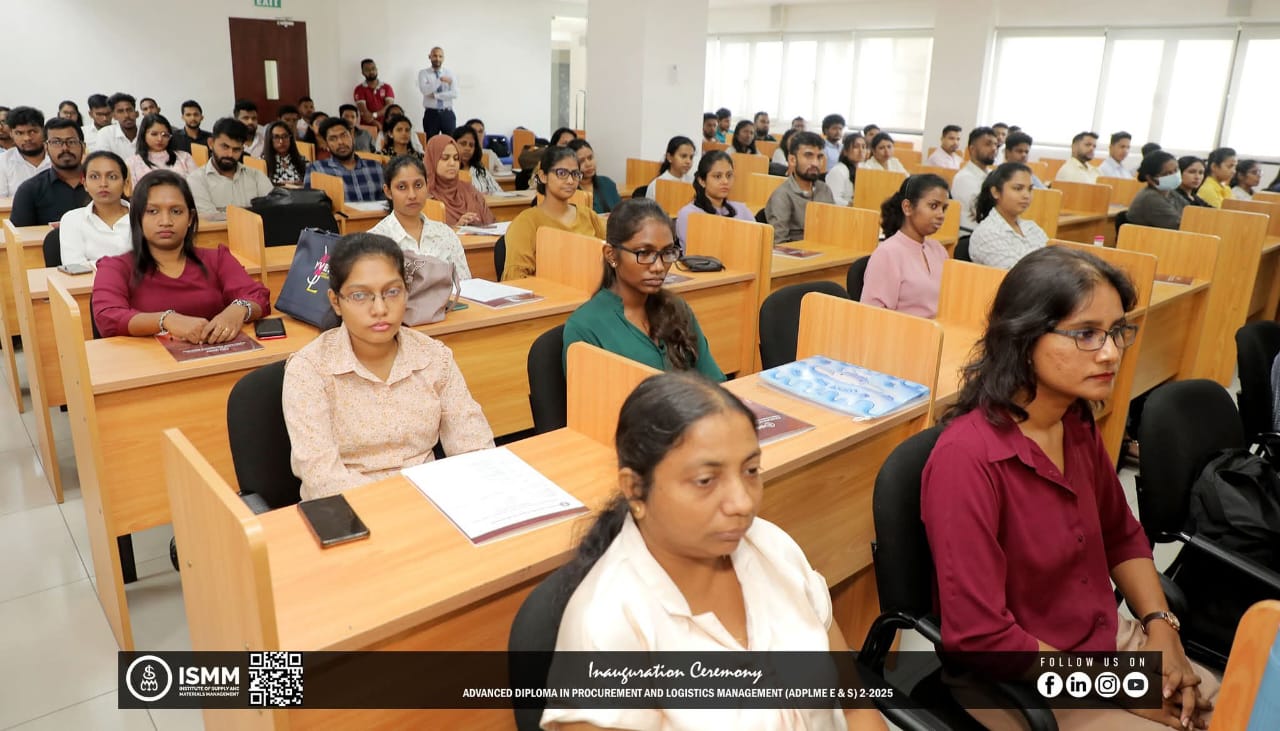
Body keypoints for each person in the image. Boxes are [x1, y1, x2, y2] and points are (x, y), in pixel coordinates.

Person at [922, 246, 1218, 730]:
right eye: (1086, 334)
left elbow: (1121, 533)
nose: (1111, 352)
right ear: (1024, 337)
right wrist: (1122, 686)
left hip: (1105, 646)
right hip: (1023, 679)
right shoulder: (966, 460)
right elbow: (981, 636)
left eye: (1116, 331)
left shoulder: (1075, 421)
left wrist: (1162, 628)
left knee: (1245, 707)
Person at [541, 371, 889, 731]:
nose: (742, 503)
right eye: (706, 480)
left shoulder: (772, 547)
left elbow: (853, 707)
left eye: (751, 470)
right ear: (635, 490)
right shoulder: (605, 627)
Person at [282, 233, 494, 500]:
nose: (380, 309)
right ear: (336, 302)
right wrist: (401, 503)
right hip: (350, 508)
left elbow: (475, 446)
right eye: (360, 295)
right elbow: (321, 479)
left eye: (392, 292)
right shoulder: (309, 370)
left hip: (433, 500)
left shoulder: (433, 357)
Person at [91, 170, 270, 341]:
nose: (165, 221)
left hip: (215, 354)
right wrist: (166, 320)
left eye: (176, 211)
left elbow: (257, 296)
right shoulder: (115, 267)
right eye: (152, 211)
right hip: (150, 359)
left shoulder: (217, 259)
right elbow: (107, 317)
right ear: (138, 217)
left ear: (190, 218)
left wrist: (238, 310)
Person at [563, 198, 725, 380]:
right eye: (644, 253)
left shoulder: (677, 308)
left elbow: (715, 382)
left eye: (667, 253)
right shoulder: (585, 327)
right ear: (611, 255)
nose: (658, 267)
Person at [502, 145, 606, 281]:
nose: (570, 181)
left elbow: (610, 259)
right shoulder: (526, 222)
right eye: (561, 173)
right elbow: (516, 279)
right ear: (543, 176)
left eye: (575, 174)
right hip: (546, 293)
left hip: (589, 289)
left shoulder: (589, 216)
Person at [860, 174, 950, 318]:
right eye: (933, 206)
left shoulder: (938, 250)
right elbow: (872, 317)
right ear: (907, 207)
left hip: (940, 328)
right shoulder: (887, 253)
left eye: (943, 208)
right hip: (905, 331)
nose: (941, 215)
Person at [369, 155, 471, 278]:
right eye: (402, 187)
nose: (412, 195)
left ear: (427, 185)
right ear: (388, 192)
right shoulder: (374, 241)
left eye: (418, 185)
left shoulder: (446, 234)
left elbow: (465, 283)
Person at [10, 119, 89, 227]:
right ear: (46, 148)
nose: (65, 148)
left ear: (83, 147)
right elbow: (20, 234)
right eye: (56, 142)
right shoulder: (29, 190)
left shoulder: (101, 183)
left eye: (71, 142)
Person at [187, 118, 275, 215]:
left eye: (236, 149)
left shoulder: (256, 176)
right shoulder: (196, 180)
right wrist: (251, 213)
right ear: (211, 143)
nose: (230, 154)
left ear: (242, 149)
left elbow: (272, 209)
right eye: (225, 147)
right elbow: (209, 217)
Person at [969, 163, 1049, 269]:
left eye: (1030, 189)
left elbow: (1053, 260)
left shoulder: (1032, 227)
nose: (1026, 195)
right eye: (1018, 188)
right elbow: (1016, 274)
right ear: (995, 192)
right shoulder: (986, 233)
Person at [59, 151, 131, 266]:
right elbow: (75, 267)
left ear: (125, 183)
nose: (103, 183)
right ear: (85, 184)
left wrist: (96, 264)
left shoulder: (143, 216)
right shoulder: (72, 219)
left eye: (112, 177)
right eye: (94, 177)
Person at [764, 131, 835, 244]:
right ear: (792, 160)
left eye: (819, 157)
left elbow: (833, 228)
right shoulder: (782, 195)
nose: (815, 163)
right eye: (808, 156)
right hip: (795, 252)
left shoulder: (824, 189)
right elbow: (779, 243)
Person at [675, 151, 752, 245]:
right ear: (702, 181)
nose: (725, 181)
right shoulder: (689, 215)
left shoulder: (742, 210)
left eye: (729, 175)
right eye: (717, 176)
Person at [304, 118, 385, 204]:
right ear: (326, 144)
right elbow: (310, 205)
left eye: (344, 135)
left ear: (352, 136)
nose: (340, 142)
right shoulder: (317, 170)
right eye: (333, 139)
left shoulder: (376, 167)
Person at [423, 133, 494, 227]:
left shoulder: (470, 191)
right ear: (432, 160)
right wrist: (457, 227)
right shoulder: (425, 197)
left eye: (456, 158)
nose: (452, 163)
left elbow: (490, 224)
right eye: (445, 158)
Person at [950, 126, 998, 233]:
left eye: (996, 145)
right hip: (970, 234)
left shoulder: (993, 174)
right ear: (972, 149)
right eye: (988, 144)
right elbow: (982, 212)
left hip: (990, 231)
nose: (994, 148)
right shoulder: (963, 178)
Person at [126, 114, 197, 183]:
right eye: (154, 134)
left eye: (165, 135)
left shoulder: (184, 157)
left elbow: (196, 184)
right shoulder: (132, 162)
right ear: (143, 135)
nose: (160, 139)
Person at [1126, 151, 1185, 230]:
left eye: (1176, 170)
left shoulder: (1170, 192)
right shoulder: (1150, 198)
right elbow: (1180, 226)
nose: (1174, 175)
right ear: (1150, 178)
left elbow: (1190, 212)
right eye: (1167, 173)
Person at [0, 106, 48, 197]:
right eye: (19, 133)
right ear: (11, 134)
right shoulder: (3, 162)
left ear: (43, 131)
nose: (27, 138)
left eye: (32, 132)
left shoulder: (57, 157)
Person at [567, 138, 620, 215]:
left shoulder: (607, 183)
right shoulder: (568, 189)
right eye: (581, 161)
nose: (588, 164)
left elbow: (621, 213)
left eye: (590, 158)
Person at [418, 46, 458, 139]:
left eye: (440, 56)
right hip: (431, 114)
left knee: (450, 142)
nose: (437, 59)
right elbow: (425, 91)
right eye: (435, 56)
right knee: (430, 142)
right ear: (430, 57)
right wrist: (440, 80)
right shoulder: (423, 73)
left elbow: (455, 93)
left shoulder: (450, 73)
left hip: (447, 113)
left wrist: (436, 95)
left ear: (443, 58)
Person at [644, 136, 697, 200]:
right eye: (683, 156)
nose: (688, 161)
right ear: (669, 157)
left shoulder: (693, 183)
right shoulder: (656, 184)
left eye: (691, 157)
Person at [452, 125, 500, 195]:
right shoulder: (448, 170)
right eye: (463, 144)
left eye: (471, 145)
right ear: (453, 144)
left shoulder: (480, 170)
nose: (467, 148)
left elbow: (499, 193)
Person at [826, 132, 867, 207]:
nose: (861, 150)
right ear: (845, 151)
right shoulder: (838, 171)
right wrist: (853, 205)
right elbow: (833, 199)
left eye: (863, 147)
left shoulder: (865, 168)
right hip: (844, 211)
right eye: (856, 147)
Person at [94, 93, 141, 160]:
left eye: (129, 110)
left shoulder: (146, 131)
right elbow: (104, 160)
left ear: (136, 113)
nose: (126, 115)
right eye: (120, 111)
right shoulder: (105, 134)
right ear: (114, 116)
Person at [263, 121, 307, 188]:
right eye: (276, 137)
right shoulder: (262, 162)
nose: (281, 141)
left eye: (285, 136)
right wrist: (285, 185)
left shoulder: (303, 161)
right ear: (269, 139)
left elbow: (310, 186)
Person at [354, 57, 396, 125]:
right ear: (362, 72)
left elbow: (389, 107)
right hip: (367, 127)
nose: (371, 72)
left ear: (377, 69)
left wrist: (375, 115)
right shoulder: (359, 89)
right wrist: (378, 125)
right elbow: (364, 112)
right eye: (367, 70)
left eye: (373, 68)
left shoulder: (387, 87)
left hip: (386, 125)